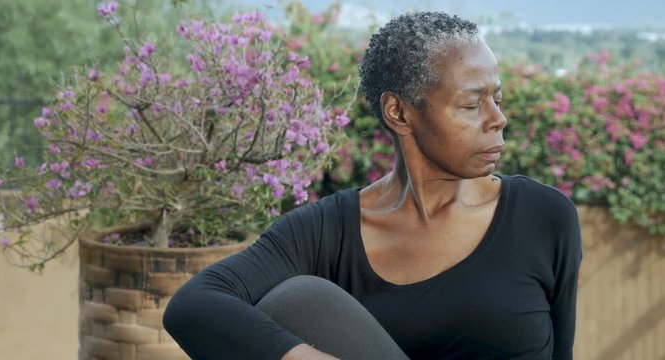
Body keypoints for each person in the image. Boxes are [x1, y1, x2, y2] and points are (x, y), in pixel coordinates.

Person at [163, 11, 582, 360]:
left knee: (299, 298)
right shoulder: (328, 231)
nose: (497, 118)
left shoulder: (543, 217)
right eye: (472, 104)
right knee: (298, 300)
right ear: (399, 112)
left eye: (498, 98)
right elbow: (193, 305)